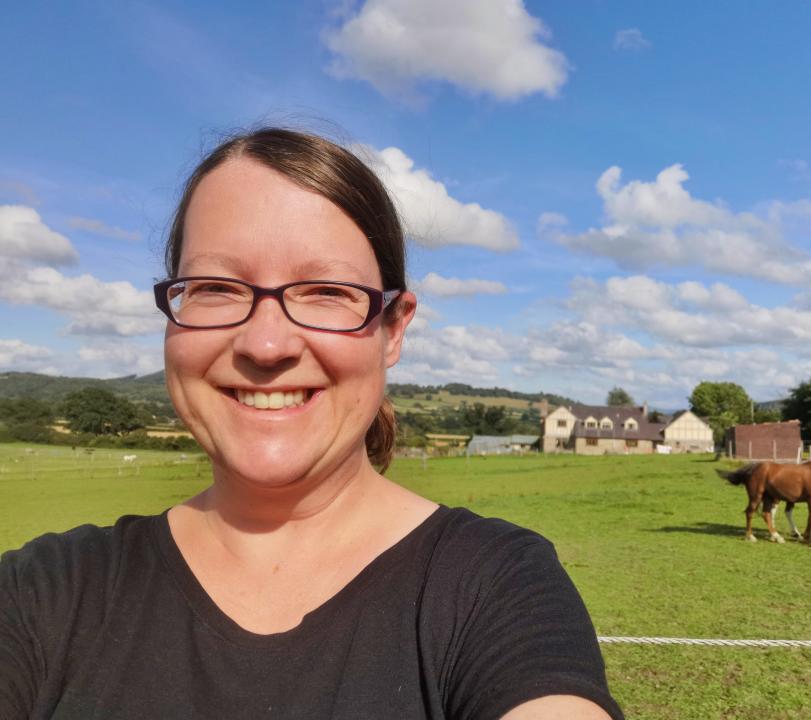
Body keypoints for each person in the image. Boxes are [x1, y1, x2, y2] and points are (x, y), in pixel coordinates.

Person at [0, 128, 623, 719]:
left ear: (393, 328)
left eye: (325, 291)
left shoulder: (496, 586)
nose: (266, 345)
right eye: (216, 286)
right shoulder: (43, 594)